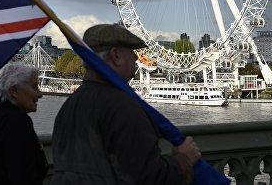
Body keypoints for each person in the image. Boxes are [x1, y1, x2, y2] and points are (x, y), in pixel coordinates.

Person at [51, 24, 202, 185]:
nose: (137, 58)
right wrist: (183, 160)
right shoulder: (123, 107)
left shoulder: (70, 104)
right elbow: (147, 178)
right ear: (116, 55)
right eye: (132, 51)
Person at [0, 63, 47, 184]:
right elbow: (22, 174)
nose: (40, 94)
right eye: (34, 87)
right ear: (14, 91)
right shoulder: (19, 122)